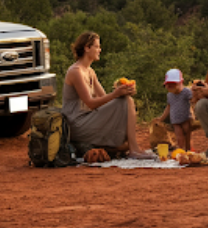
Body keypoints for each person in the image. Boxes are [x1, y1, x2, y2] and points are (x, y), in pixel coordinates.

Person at [62, 31, 154, 160]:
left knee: (125, 100)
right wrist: (116, 94)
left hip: (88, 119)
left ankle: (130, 147)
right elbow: (90, 103)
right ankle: (134, 149)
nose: (100, 50)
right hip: (77, 123)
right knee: (126, 101)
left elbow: (105, 99)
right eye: (97, 46)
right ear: (87, 48)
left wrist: (122, 91)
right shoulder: (76, 71)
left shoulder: (90, 71)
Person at [153, 68, 194, 151]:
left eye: (173, 84)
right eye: (168, 84)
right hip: (175, 120)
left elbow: (193, 101)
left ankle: (188, 149)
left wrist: (194, 113)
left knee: (187, 134)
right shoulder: (169, 95)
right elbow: (168, 107)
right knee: (179, 136)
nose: (170, 86)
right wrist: (161, 118)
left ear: (181, 82)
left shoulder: (186, 92)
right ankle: (180, 150)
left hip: (186, 117)